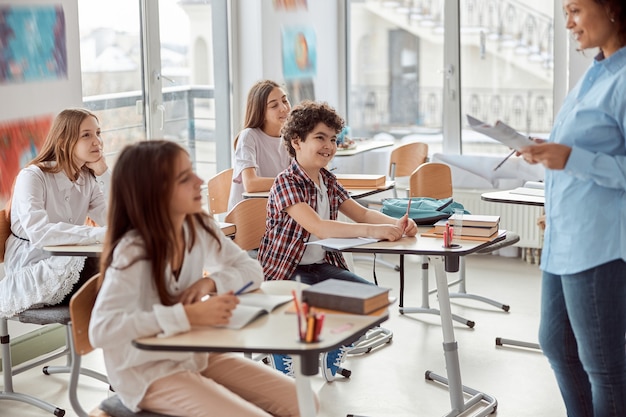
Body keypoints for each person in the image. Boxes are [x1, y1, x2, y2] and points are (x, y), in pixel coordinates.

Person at [89, 140, 304, 417]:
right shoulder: (134, 250)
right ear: (155, 193)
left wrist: (211, 282)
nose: (199, 181)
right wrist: (187, 316)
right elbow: (102, 329)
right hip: (147, 372)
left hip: (194, 354)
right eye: (184, 178)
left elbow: (253, 271)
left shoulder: (196, 226)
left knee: (304, 400)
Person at [258, 100, 417, 381]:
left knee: (375, 302)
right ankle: (280, 355)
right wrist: (374, 232)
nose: (329, 146)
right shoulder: (286, 182)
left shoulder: (328, 180)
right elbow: (319, 227)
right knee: (295, 315)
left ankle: (335, 348)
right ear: (297, 140)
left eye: (332, 139)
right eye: (320, 137)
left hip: (320, 267)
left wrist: (396, 224)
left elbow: (362, 213)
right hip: (286, 272)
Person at [518, 1, 626, 415]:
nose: (568, 23)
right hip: (565, 235)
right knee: (558, 345)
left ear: (613, 9)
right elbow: (575, 150)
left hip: (600, 244)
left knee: (603, 365)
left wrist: (569, 158)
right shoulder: (594, 74)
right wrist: (545, 152)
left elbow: (581, 159)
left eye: (576, 10)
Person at [0, 108, 110, 318]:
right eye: (86, 135)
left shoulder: (87, 178)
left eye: (98, 133)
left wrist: (103, 172)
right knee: (117, 266)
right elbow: (40, 233)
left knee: (131, 259)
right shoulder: (33, 176)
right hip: (33, 268)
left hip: (72, 261)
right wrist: (99, 234)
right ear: (63, 141)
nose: (97, 141)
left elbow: (116, 219)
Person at [228, 79, 292, 210]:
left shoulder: (290, 138)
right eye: (274, 106)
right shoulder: (249, 136)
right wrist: (292, 182)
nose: (284, 108)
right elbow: (251, 184)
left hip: (275, 212)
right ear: (261, 113)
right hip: (247, 216)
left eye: (285, 101)